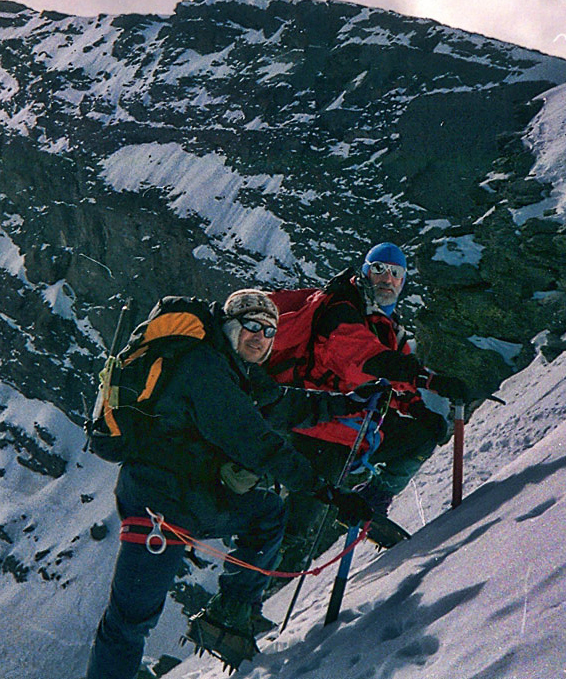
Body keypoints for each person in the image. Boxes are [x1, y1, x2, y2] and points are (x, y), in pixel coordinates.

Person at [85, 289, 371, 679]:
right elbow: (255, 441)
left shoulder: (235, 370)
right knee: (130, 621)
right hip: (158, 508)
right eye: (252, 326)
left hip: (193, 497)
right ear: (230, 326)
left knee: (267, 514)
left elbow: (281, 406)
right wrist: (326, 492)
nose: (261, 336)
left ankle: (229, 616)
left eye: (269, 331)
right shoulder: (204, 369)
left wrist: (347, 402)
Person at [268, 242, 471, 557]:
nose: (386, 279)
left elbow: (397, 384)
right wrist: (428, 379)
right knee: (296, 529)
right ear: (365, 272)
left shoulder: (388, 329)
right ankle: (242, 597)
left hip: (359, 429)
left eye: (395, 273)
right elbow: (363, 359)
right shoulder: (341, 309)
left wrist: (418, 410)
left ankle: (374, 502)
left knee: (422, 437)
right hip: (319, 427)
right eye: (378, 270)